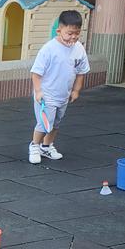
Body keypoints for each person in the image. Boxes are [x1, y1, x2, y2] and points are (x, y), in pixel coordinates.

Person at [29, 9, 90, 164]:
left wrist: (76, 90)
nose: (73, 37)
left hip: (63, 95)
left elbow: (81, 72)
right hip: (47, 94)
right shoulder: (49, 49)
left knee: (56, 123)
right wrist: (38, 91)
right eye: (69, 33)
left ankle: (46, 146)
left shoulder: (79, 48)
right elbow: (36, 73)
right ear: (59, 30)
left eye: (77, 33)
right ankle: (34, 145)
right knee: (44, 123)